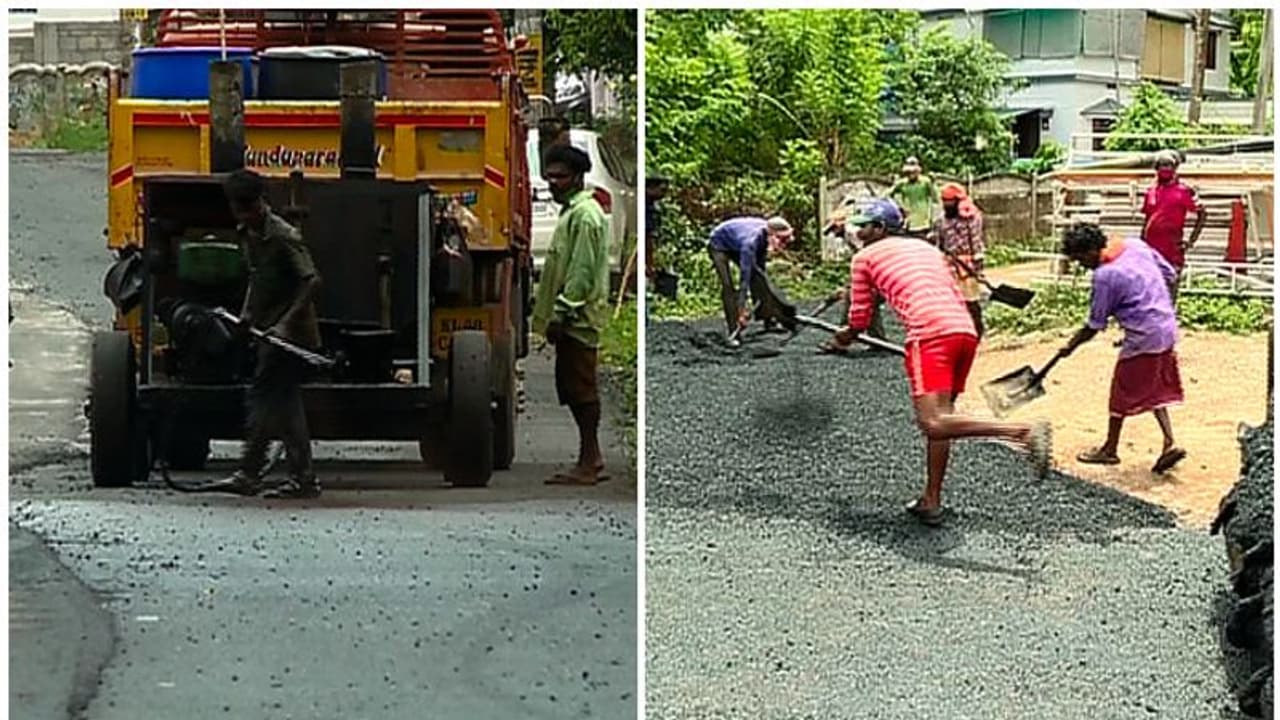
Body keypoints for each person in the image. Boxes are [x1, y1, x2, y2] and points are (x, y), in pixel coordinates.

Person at [823, 198, 1051, 527]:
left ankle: (1022, 432)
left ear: (880, 229)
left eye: (865, 226)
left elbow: (859, 318)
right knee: (943, 420)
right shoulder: (926, 249)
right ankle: (931, 499)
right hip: (963, 332)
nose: (859, 231)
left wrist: (844, 337)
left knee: (932, 422)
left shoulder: (864, 258)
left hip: (930, 335)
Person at [221, 169, 323, 499]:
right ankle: (303, 478)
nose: (242, 215)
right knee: (284, 403)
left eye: (245, 208)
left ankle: (250, 472)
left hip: (291, 338)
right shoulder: (249, 233)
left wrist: (285, 324)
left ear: (257, 204)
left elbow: (311, 281)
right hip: (267, 332)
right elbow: (256, 278)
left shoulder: (282, 236)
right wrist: (247, 314)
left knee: (264, 396)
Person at [1058, 222, 1186, 474]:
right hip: (1167, 327)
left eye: (1080, 258)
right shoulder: (1135, 246)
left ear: (1091, 249)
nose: (1080, 265)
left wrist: (1069, 346)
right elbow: (1170, 275)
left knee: (1121, 391)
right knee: (1154, 388)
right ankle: (1171, 442)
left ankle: (1110, 449)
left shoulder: (1104, 276)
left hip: (1144, 337)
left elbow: (1094, 324)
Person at [531, 144, 611, 485]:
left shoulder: (585, 216)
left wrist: (562, 312)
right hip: (571, 317)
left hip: (578, 319)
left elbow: (581, 272)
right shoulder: (572, 213)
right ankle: (588, 458)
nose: (553, 183)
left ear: (578, 177)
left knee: (581, 388)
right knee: (572, 387)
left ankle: (590, 460)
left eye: (561, 177)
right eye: (550, 177)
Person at [707, 215, 794, 347]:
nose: (783, 245)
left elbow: (760, 273)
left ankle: (767, 319)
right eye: (781, 240)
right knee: (728, 286)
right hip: (719, 245)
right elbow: (744, 280)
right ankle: (733, 330)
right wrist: (741, 311)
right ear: (771, 235)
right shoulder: (750, 243)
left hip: (737, 241)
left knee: (760, 278)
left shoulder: (764, 236)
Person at [1141, 149, 1206, 302]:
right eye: (1161, 165)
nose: (1165, 169)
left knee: (1170, 287)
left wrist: (1191, 240)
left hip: (1173, 250)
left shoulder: (1184, 191)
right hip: (1151, 249)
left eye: (1169, 165)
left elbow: (1202, 214)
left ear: (1175, 167)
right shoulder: (1150, 192)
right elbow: (1147, 219)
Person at [932, 183, 987, 338]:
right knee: (951, 301)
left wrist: (979, 267)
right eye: (943, 200)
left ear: (957, 201)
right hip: (948, 263)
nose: (945, 204)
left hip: (967, 264)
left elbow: (976, 241)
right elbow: (939, 243)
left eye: (948, 201)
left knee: (970, 301)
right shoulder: (941, 220)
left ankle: (977, 331)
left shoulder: (971, 217)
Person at [889, 156, 939, 232]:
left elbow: (935, 199)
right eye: (909, 173)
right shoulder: (902, 183)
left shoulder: (925, 182)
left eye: (913, 172)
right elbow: (887, 195)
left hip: (923, 223)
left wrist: (933, 184)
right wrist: (899, 206)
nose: (911, 175)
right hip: (907, 223)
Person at [645, 175, 670, 280]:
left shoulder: (653, 205)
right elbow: (647, 237)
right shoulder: (645, 205)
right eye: (662, 190)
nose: (663, 195)